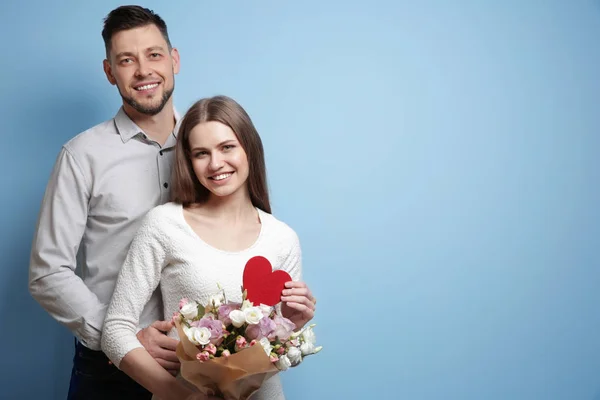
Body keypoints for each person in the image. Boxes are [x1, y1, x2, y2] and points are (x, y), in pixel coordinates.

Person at [101, 95, 317, 400]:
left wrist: (290, 326)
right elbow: (115, 330)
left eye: (227, 147)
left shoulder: (282, 238)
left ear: (249, 148)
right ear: (189, 161)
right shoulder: (164, 225)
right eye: (201, 153)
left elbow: (268, 359)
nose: (216, 164)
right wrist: (180, 396)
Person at [28, 5, 182, 399]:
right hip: (111, 372)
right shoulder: (82, 155)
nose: (144, 70)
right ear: (109, 72)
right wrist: (124, 341)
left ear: (174, 59)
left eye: (154, 54)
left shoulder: (209, 147)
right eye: (126, 60)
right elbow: (48, 272)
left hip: (200, 364)